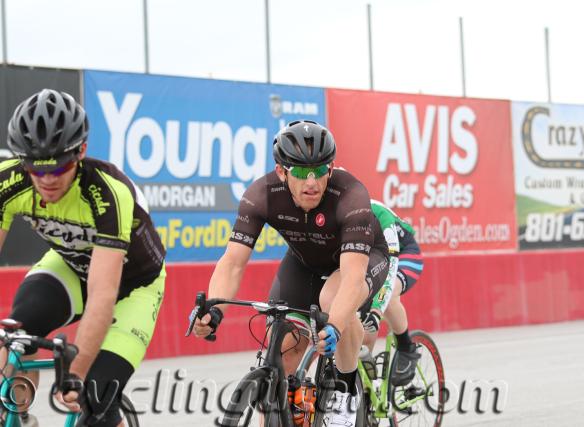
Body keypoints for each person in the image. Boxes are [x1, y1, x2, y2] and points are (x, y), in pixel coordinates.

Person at [193, 120, 389, 426]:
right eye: (299, 172)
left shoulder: (351, 194)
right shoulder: (262, 194)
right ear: (282, 171)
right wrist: (214, 309)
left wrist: (334, 326)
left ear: (331, 168)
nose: (311, 183)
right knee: (281, 343)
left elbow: (352, 277)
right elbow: (233, 262)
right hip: (304, 263)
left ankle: (345, 393)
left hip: (361, 260)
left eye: (320, 171)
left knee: (332, 300)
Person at [0, 89, 166, 427]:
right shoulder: (9, 181)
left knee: (93, 399)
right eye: (35, 168)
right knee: (17, 335)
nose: (46, 179)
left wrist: (75, 374)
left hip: (132, 287)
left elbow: (103, 294)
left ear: (81, 152)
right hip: (70, 266)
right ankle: (17, 416)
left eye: (58, 167)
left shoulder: (107, 192)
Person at [360, 199, 423, 386]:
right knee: (363, 324)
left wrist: (376, 311)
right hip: (376, 257)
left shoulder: (377, 213)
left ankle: (406, 347)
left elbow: (388, 274)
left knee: (388, 294)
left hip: (404, 252)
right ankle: (365, 386)